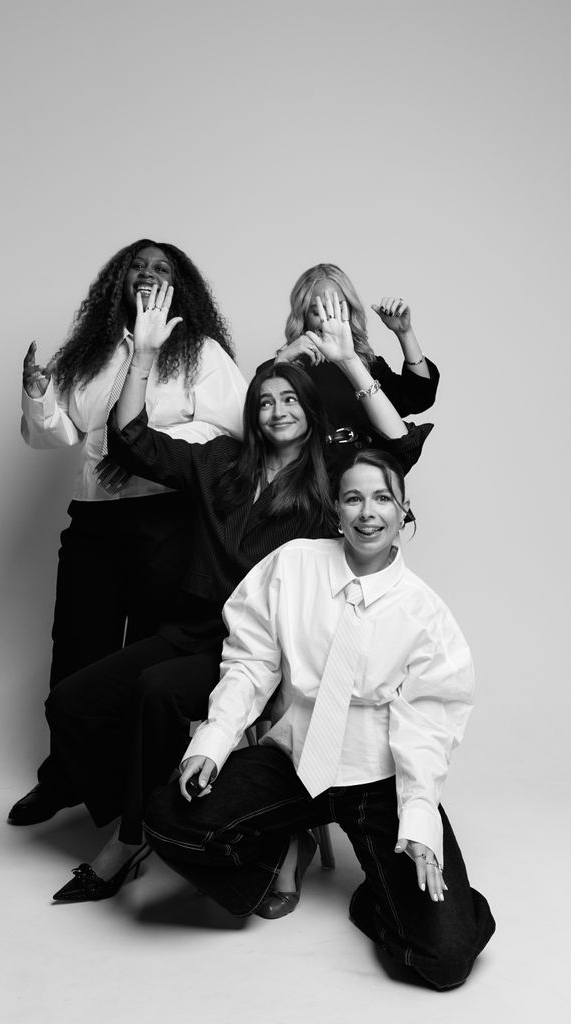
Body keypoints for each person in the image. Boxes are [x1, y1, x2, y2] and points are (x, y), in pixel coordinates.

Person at [45, 285, 433, 902]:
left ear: (309, 409)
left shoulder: (330, 481)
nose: (278, 410)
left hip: (262, 649)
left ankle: (129, 837)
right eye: (265, 401)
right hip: (189, 629)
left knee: (156, 693)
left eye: (290, 400)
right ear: (251, 413)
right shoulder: (220, 462)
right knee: (71, 703)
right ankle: (146, 809)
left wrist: (351, 361)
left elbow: (398, 448)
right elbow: (132, 441)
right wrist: (143, 357)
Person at [144, 449, 495, 991]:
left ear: (404, 511)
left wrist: (421, 817)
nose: (367, 512)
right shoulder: (294, 565)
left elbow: (428, 722)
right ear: (336, 508)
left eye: (382, 498)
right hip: (295, 760)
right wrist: (212, 742)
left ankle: (382, 895)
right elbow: (251, 661)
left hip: (377, 777)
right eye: (353, 497)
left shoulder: (425, 613)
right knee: (169, 815)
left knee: (444, 961)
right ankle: (276, 860)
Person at [8, 240, 247, 826]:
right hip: (93, 520)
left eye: (162, 267)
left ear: (178, 285)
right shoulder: (88, 352)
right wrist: (39, 395)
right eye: (137, 265)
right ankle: (64, 777)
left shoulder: (200, 351)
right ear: (119, 280)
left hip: (167, 520)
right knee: (77, 649)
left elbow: (233, 432)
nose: (148, 273)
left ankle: (136, 788)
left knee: (146, 656)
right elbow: (58, 436)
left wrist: (142, 449)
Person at [262, 263, 439, 440]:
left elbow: (418, 398)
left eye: (338, 309)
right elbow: (263, 427)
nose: (329, 321)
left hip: (367, 465)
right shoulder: (278, 368)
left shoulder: (368, 364)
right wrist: (282, 362)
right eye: (319, 312)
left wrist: (404, 333)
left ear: (350, 311)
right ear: (303, 317)